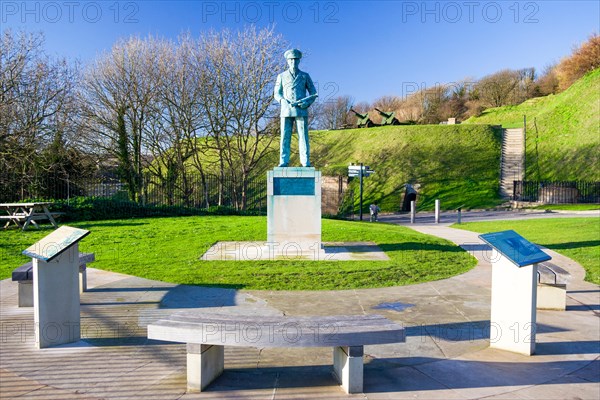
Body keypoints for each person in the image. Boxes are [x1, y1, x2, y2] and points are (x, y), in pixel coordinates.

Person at [274, 49, 318, 167]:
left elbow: (313, 93)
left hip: (301, 110)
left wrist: (307, 103)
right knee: (285, 136)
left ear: (299, 61)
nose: (293, 62)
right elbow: (276, 93)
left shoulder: (305, 76)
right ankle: (283, 161)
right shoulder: (281, 76)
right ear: (287, 61)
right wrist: (282, 101)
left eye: (295, 60)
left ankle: (305, 161)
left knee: (303, 136)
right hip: (286, 110)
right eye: (291, 60)